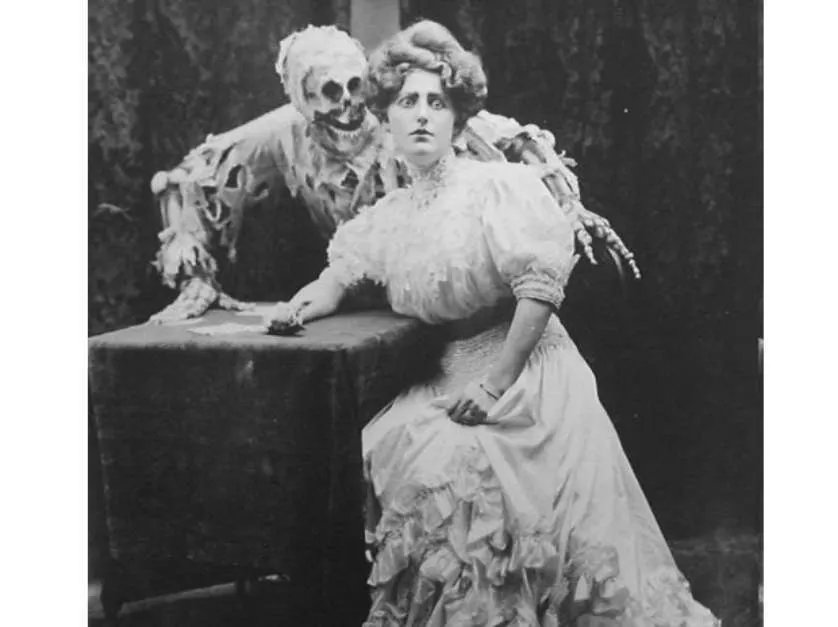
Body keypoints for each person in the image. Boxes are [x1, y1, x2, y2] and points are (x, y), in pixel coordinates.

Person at [266, 20, 719, 627]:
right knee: (380, 453)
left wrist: (494, 384)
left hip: (525, 372)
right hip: (447, 374)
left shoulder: (497, 187)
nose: (421, 116)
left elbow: (540, 286)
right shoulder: (389, 216)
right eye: (407, 102)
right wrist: (300, 306)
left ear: (457, 118)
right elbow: (338, 277)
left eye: (437, 103)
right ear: (386, 117)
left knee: (458, 476)